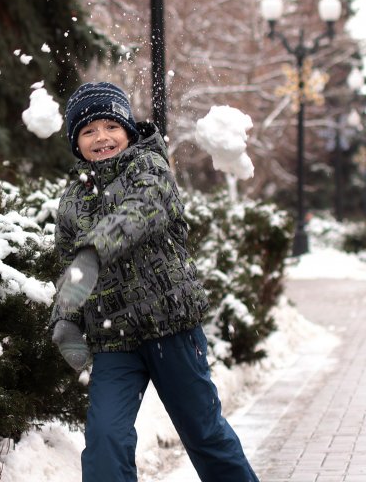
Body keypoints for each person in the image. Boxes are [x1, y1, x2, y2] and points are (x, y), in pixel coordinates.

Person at [49, 81, 259, 482]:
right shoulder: (72, 199)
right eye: (88, 131)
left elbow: (140, 211)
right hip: (113, 339)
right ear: (77, 143)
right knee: (105, 441)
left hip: (171, 327)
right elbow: (69, 266)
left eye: (110, 126)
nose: (101, 138)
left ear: (127, 128)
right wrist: (65, 317)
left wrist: (95, 249)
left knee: (204, 434)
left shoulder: (150, 167)